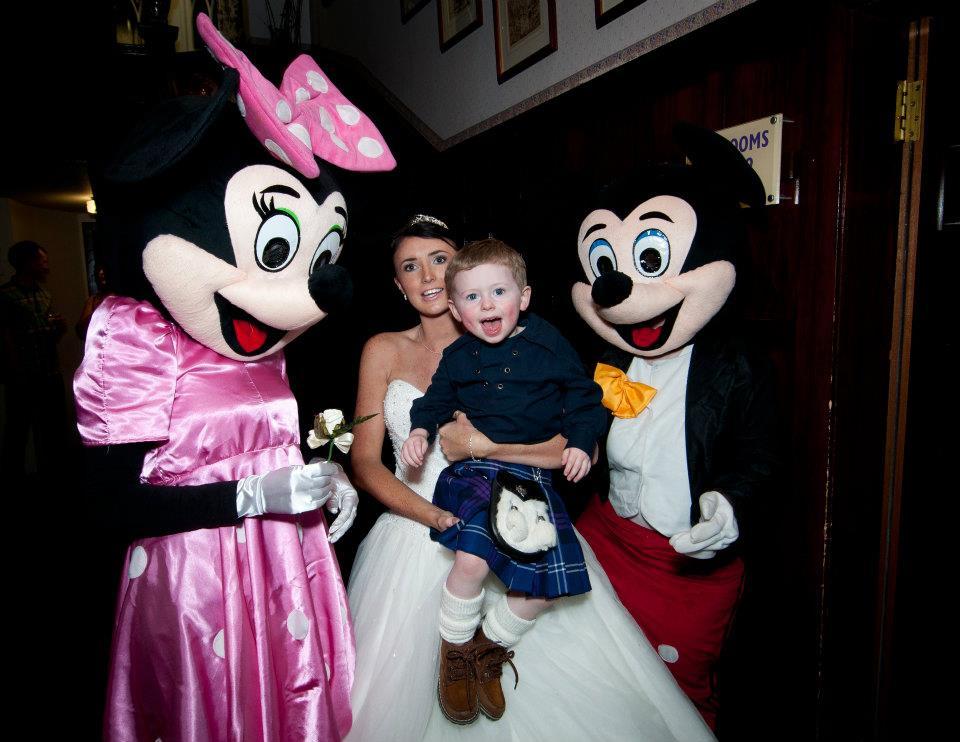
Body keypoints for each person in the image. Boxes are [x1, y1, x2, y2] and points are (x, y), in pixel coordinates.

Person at [346, 215, 714, 741]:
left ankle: (487, 647)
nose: (426, 274)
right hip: (418, 522)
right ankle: (459, 651)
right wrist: (430, 515)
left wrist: (488, 447)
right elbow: (365, 462)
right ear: (399, 285)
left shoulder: (532, 346)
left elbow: (568, 439)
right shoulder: (382, 349)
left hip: (520, 508)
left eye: (440, 260)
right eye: (410, 266)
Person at [400, 238, 605, 723]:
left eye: (498, 292)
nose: (487, 304)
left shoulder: (549, 343)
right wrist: (418, 429)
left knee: (540, 591)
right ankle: (454, 653)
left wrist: (579, 440)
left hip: (534, 477)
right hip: (477, 472)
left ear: (524, 296)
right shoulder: (457, 358)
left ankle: (486, 648)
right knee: (471, 558)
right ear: (456, 309)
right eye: (472, 297)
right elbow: (430, 403)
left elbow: (584, 399)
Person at [0, 240, 67, 478]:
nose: (46, 266)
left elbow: (50, 334)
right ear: (27, 263)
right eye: (42, 261)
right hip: (23, 377)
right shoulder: (6, 296)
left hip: (49, 372)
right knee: (18, 431)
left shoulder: (44, 294)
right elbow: (5, 335)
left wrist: (59, 328)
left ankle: (57, 476)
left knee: (54, 428)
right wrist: (16, 371)